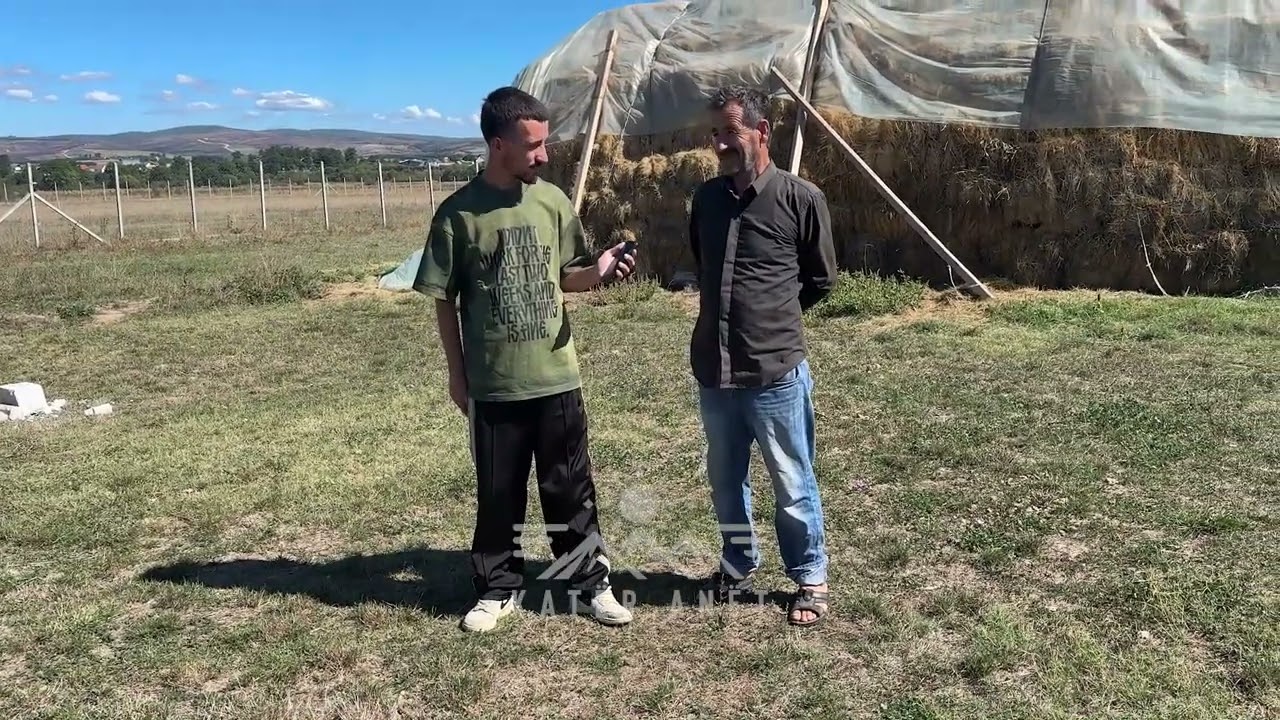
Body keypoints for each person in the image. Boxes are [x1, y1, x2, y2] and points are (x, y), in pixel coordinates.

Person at [414, 86, 638, 633]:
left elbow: (569, 276)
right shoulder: (457, 215)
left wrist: (599, 272)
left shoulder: (552, 201)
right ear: (498, 145)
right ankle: (497, 589)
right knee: (498, 493)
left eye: (545, 143)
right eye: (533, 145)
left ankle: (589, 583)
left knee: (571, 489)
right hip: (495, 383)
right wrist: (457, 376)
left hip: (557, 376)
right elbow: (444, 299)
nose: (544, 155)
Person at [687, 85, 839, 627]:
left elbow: (821, 279)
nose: (720, 144)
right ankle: (737, 563)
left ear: (761, 131)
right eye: (715, 133)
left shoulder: (801, 199)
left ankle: (810, 576)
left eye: (731, 132)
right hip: (715, 370)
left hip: (775, 372)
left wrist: (773, 320)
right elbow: (703, 265)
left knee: (792, 481)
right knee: (726, 481)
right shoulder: (706, 200)